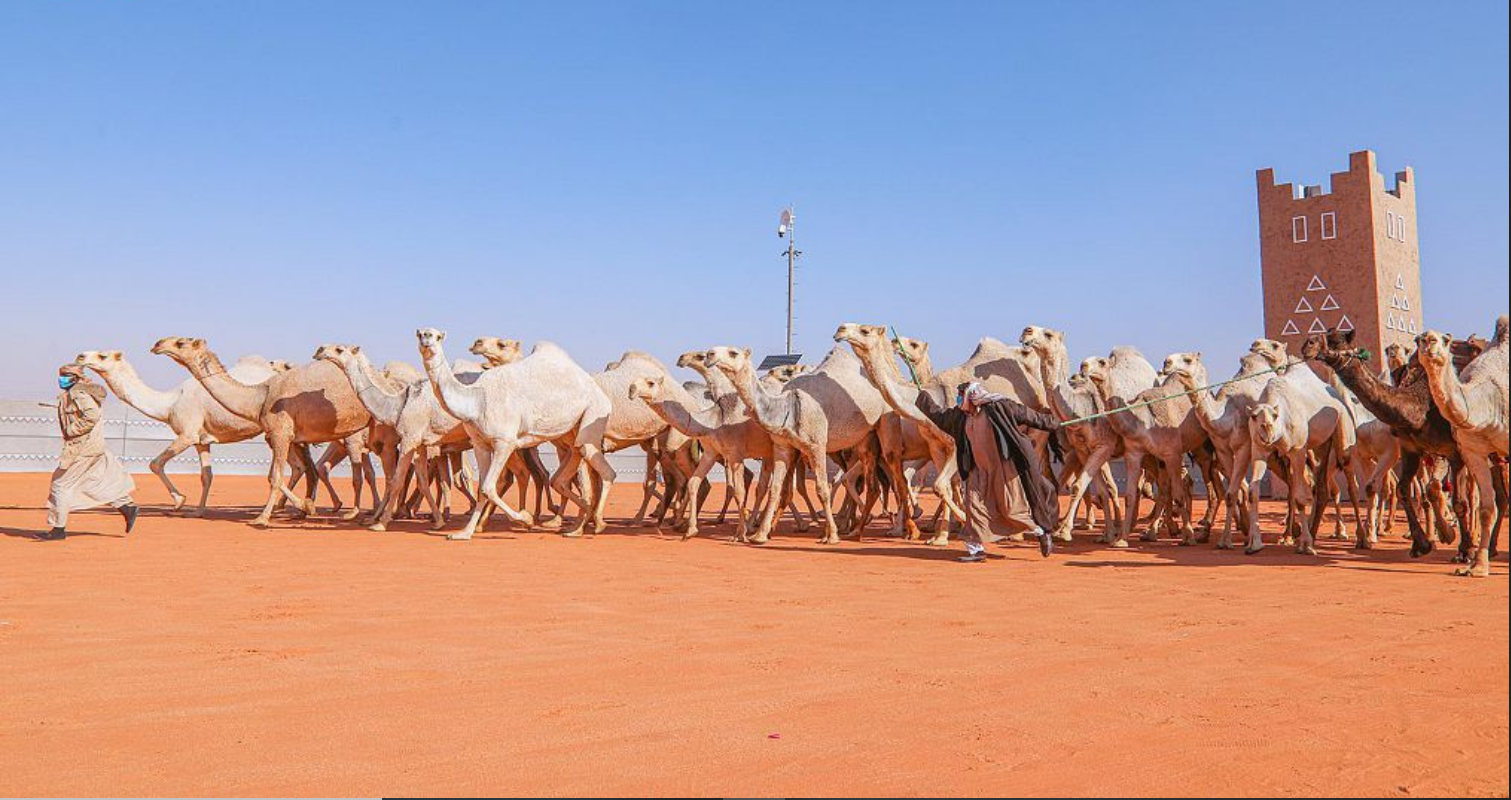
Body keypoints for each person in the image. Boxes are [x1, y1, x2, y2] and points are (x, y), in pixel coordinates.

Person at [919, 382, 1060, 563]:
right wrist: (923, 397)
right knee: (974, 508)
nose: (959, 399)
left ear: (972, 396)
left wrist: (1055, 423)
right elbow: (939, 416)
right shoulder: (961, 417)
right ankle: (976, 550)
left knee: (1011, 509)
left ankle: (1041, 531)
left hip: (1003, 468)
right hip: (977, 470)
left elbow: (1029, 416)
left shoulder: (1000, 407)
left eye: (961, 395)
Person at [42, 364, 138, 541]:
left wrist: (72, 430)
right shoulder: (75, 394)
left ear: (76, 377)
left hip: (81, 449)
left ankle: (58, 530)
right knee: (90, 482)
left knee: (60, 485)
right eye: (61, 375)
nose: (62, 378)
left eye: (66, 375)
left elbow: (91, 415)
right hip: (92, 447)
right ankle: (126, 506)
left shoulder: (78, 394)